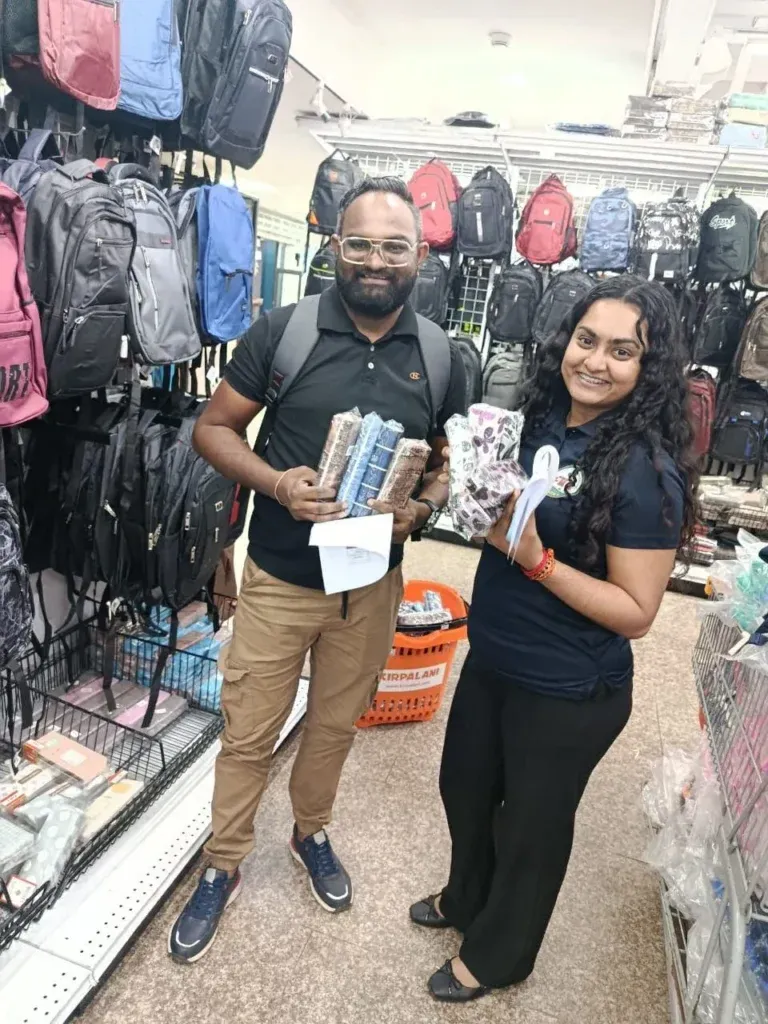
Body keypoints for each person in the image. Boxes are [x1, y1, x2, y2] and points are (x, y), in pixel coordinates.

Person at [168, 176, 466, 964]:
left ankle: (311, 832)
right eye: (359, 243)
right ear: (336, 247)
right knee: (249, 733)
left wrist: (421, 508)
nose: (375, 260)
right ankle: (223, 863)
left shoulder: (441, 355)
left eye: (393, 246)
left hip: (369, 587)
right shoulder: (285, 331)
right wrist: (277, 484)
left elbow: (451, 463)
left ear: (420, 255)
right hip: (279, 578)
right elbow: (213, 429)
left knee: (335, 726)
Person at [409, 276, 697, 1001]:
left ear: (649, 368)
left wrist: (535, 559)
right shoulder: (536, 422)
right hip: (494, 657)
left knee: (530, 827)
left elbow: (636, 611)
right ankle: (467, 898)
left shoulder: (646, 473)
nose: (595, 361)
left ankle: (500, 955)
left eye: (622, 351)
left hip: (570, 685)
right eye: (586, 340)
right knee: (465, 788)